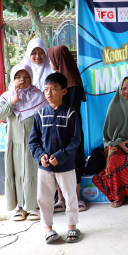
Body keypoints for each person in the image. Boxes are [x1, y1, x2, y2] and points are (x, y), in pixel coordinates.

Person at [29, 72, 82, 244]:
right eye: (46, 90)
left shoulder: (71, 114)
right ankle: (48, 228)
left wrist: (60, 156)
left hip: (65, 165)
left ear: (64, 91)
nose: (49, 93)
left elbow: (75, 141)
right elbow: (34, 141)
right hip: (45, 167)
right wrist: (40, 156)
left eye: (54, 89)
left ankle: (72, 227)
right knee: (44, 198)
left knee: (70, 196)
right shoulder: (40, 115)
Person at [0, 63, 46, 221]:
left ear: (32, 78)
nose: (22, 80)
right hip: (14, 143)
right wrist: (14, 101)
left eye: (26, 77)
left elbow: (45, 117)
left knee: (33, 172)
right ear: (12, 79)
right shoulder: (6, 96)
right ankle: (19, 206)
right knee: (16, 172)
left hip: (34, 143)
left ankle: (34, 206)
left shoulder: (39, 95)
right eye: (17, 77)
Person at [93, 76, 128, 207]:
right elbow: (107, 135)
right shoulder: (113, 105)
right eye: (123, 88)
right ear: (119, 89)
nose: (127, 91)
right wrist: (119, 143)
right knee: (114, 161)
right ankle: (119, 195)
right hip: (116, 142)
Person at [47, 45, 87, 212]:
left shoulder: (72, 84)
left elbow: (72, 112)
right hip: (57, 130)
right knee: (57, 160)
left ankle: (77, 197)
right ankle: (61, 198)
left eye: (51, 59)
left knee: (74, 159)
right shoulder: (54, 83)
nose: (50, 62)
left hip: (71, 131)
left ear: (58, 59)